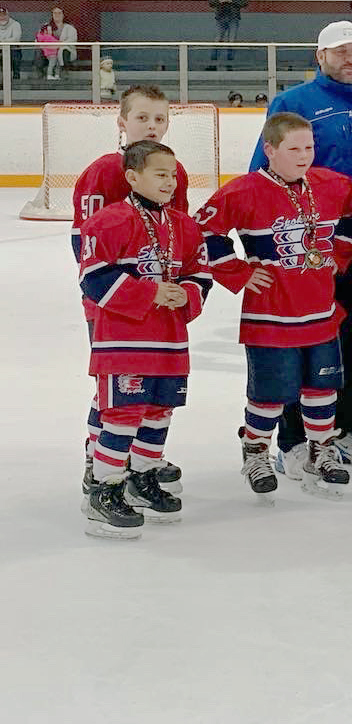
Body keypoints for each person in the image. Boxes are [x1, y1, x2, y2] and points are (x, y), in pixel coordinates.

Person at [250, 20, 352, 471]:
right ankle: (294, 440)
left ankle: (344, 430)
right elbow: (263, 172)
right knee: (307, 341)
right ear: (320, 56)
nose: (349, 59)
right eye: (340, 52)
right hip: (308, 247)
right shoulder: (293, 103)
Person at [196, 113, 352, 498]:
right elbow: (202, 232)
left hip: (321, 311)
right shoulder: (242, 191)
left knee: (322, 389)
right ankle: (256, 452)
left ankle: (322, 451)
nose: (304, 155)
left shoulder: (333, 184)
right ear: (270, 150)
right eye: (293, 149)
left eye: (309, 147)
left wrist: (339, 255)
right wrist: (238, 272)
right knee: (268, 395)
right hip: (270, 315)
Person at [77, 140, 210, 539]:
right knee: (123, 415)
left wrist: (186, 292)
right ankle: (105, 488)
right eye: (159, 173)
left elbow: (201, 275)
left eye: (173, 174)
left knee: (159, 412)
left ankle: (143, 477)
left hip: (169, 340)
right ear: (133, 177)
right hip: (123, 340)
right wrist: (149, 292)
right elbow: (93, 278)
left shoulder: (185, 226)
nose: (169, 181)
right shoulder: (108, 222)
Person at [73, 85, 193, 496]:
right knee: (117, 383)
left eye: (160, 119)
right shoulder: (104, 170)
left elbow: (177, 235)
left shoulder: (170, 170)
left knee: (153, 382)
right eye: (143, 118)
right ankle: (100, 456)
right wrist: (112, 293)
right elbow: (84, 241)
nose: (152, 126)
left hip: (159, 302)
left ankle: (141, 456)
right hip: (111, 301)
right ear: (122, 122)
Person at [209, 0, 248, 64]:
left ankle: (229, 64)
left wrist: (232, 0)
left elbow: (245, 2)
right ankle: (213, 63)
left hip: (233, 17)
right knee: (217, 40)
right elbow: (211, 2)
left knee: (231, 41)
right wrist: (218, 0)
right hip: (220, 17)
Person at [35, 6, 77, 80]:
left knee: (64, 51)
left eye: (59, 13)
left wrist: (58, 45)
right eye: (55, 13)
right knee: (38, 51)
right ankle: (41, 73)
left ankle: (63, 72)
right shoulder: (46, 27)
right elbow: (38, 39)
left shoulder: (70, 28)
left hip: (63, 49)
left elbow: (72, 40)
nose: (57, 15)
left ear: (63, 15)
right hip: (49, 50)